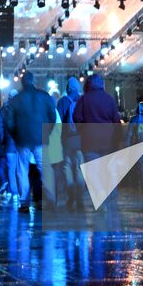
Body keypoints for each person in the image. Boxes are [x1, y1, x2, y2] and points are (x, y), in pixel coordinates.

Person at [3, 72, 58, 213]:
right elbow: (52, 116)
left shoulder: (16, 100)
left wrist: (16, 135)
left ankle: (24, 202)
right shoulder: (44, 96)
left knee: (22, 170)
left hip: (22, 140)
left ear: (22, 82)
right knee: (45, 169)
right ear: (34, 80)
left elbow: (8, 122)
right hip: (41, 138)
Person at [56, 77, 82, 209]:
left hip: (66, 140)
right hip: (80, 140)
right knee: (79, 168)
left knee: (67, 167)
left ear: (68, 88)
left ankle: (71, 196)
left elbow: (58, 123)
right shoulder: (83, 101)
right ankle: (80, 198)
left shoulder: (62, 102)